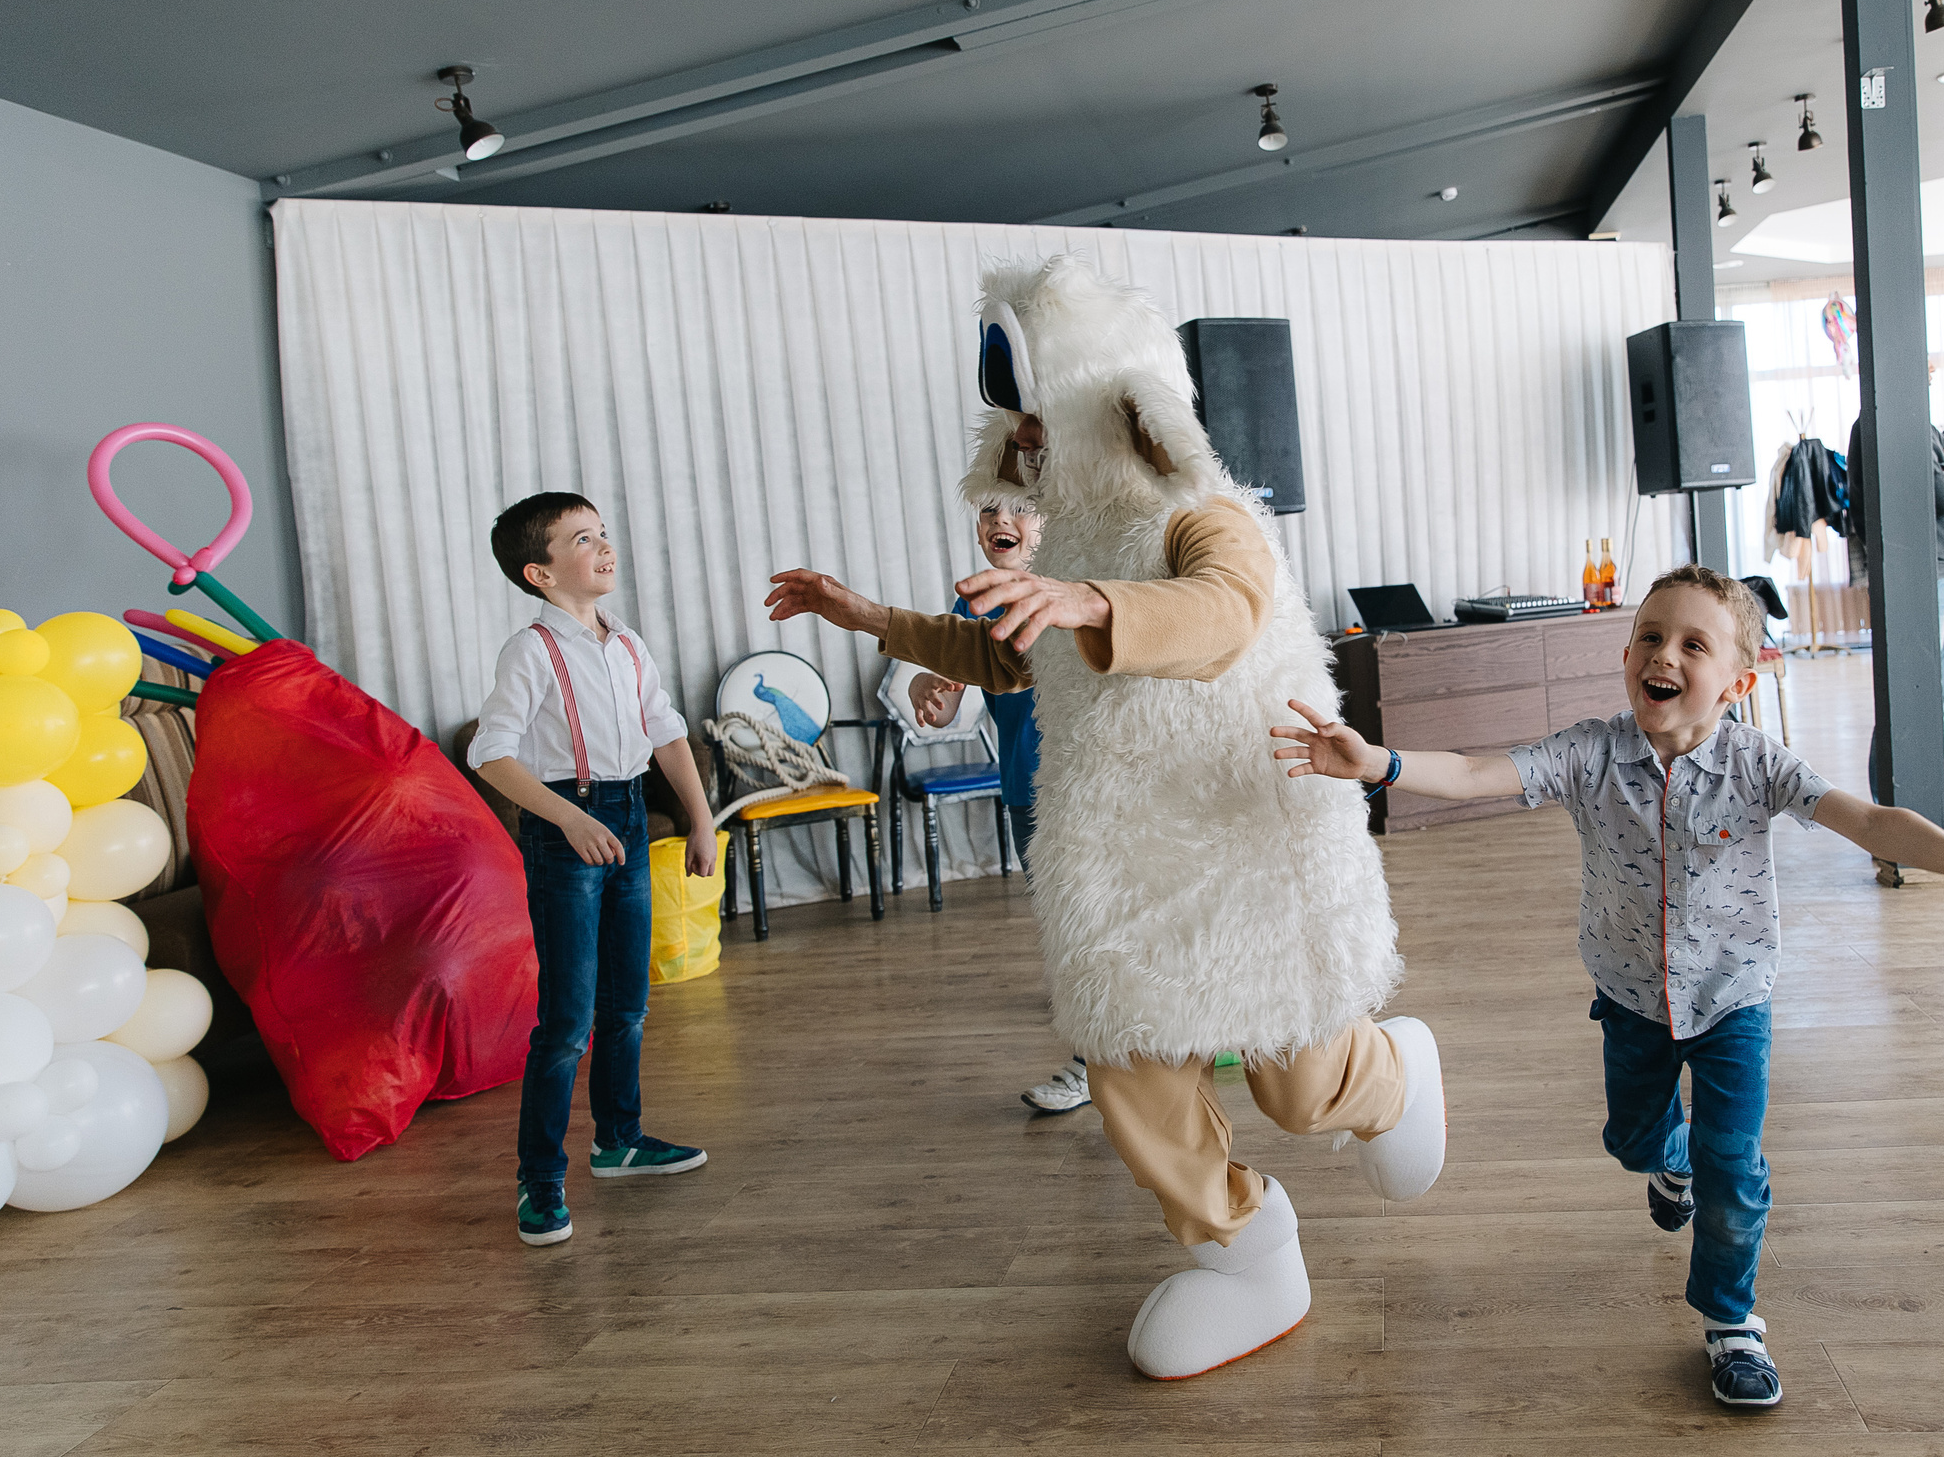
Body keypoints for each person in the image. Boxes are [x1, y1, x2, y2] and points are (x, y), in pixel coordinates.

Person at [765, 255, 1444, 1381]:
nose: (1028, 444)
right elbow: (1003, 655)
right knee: (1131, 1064)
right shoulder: (1067, 543)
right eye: (1018, 425)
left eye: (1047, 420)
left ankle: (1388, 1074)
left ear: (1111, 407)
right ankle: (1244, 1252)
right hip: (1124, 857)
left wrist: (1086, 600)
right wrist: (869, 615)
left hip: (1244, 834)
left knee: (1293, 1077)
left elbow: (1228, 613)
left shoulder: (1206, 516)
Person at [1271, 565, 1944, 1409]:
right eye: (1651, 637)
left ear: (1739, 678)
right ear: (1628, 655)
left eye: (1694, 643)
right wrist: (1378, 762)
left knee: (1735, 1165)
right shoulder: (1590, 754)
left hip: (1734, 1002)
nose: (1665, 653)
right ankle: (1670, 1162)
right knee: (1633, 1141)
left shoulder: (1759, 764)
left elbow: (1867, 820)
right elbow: (1479, 774)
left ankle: (1733, 1322)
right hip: (1630, 998)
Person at [470, 492, 719, 1248]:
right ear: (540, 573)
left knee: (627, 1004)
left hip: (633, 819)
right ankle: (540, 1179)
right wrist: (566, 818)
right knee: (567, 1020)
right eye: (584, 539)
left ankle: (620, 1139)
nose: (605, 547)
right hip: (566, 830)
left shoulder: (627, 642)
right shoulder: (531, 651)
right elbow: (492, 752)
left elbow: (667, 731)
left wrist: (701, 818)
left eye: (604, 532)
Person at [905, 500, 1086, 1114]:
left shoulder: (1081, 588)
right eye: (987, 508)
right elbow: (943, 694)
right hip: (1024, 789)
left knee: (1094, 925)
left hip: (1088, 789)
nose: (998, 520)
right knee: (1064, 930)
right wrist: (927, 689)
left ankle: (1097, 1061)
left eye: (1020, 508)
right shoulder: (972, 604)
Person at [1849, 359, 1944, 850]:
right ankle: (1907, 820)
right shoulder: (1881, 424)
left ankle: (1922, 816)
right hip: (1916, 579)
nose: (1929, 373)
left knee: (1936, 702)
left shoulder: (1926, 426)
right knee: (1908, 704)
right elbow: (1942, 493)